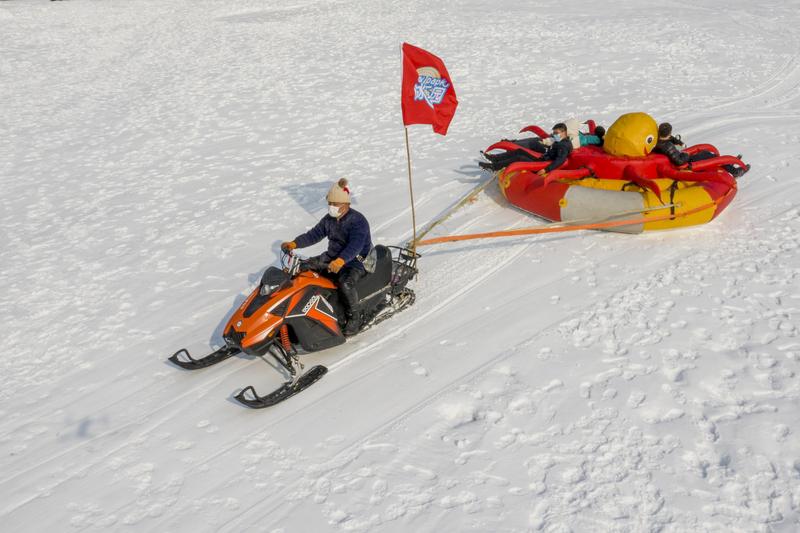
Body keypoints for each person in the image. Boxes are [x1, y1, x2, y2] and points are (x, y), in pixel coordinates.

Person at [281, 179, 372, 336]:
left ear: (345, 204)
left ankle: (354, 317)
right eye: (330, 203)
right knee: (304, 269)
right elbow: (314, 235)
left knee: (345, 283)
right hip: (332, 258)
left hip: (356, 261)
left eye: (335, 204)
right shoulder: (329, 219)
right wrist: (295, 244)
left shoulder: (358, 221)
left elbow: (355, 245)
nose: (331, 207)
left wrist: (341, 260)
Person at [654, 122, 750, 178]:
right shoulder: (668, 146)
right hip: (684, 164)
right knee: (709, 156)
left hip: (675, 160)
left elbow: (670, 138)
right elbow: (679, 161)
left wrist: (678, 142)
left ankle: (727, 165)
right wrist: (685, 154)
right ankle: (733, 171)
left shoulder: (657, 141)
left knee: (704, 153)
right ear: (669, 132)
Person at [480, 122, 573, 173]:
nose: (554, 135)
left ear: (564, 132)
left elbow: (560, 160)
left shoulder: (563, 145)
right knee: (519, 151)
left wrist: (546, 169)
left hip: (543, 163)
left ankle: (494, 167)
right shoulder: (561, 141)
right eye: (553, 133)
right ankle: (494, 158)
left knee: (519, 157)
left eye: (556, 133)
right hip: (543, 158)